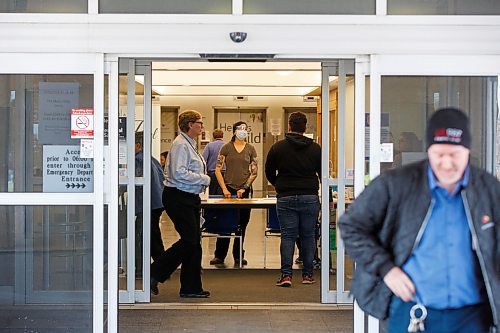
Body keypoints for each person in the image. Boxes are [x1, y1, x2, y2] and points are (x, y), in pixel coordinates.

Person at [339, 108, 499, 333]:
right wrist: (386, 269)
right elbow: (352, 225)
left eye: (455, 155)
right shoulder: (396, 184)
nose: (446, 163)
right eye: (439, 154)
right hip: (411, 311)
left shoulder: (490, 190)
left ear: (468, 151)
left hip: (472, 317)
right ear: (428, 150)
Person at [150, 110, 211, 298]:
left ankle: (191, 287)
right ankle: (155, 271)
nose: (202, 126)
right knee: (190, 240)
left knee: (194, 243)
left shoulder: (190, 144)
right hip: (178, 197)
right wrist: (204, 178)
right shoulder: (180, 145)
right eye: (199, 122)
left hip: (190, 197)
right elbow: (178, 173)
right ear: (190, 124)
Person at [265, 112, 321, 287]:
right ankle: (308, 275)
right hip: (309, 196)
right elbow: (322, 173)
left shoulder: (278, 147)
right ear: (305, 127)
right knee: (308, 236)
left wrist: (280, 184)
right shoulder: (315, 148)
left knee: (288, 236)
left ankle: (286, 275)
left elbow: (269, 171)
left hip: (286, 196)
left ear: (289, 126)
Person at [209, 121, 258, 266]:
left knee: (242, 223)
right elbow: (218, 169)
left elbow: (254, 171)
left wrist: (245, 187)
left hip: (244, 189)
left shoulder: (250, 149)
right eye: (240, 129)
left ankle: (238, 254)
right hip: (227, 188)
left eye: (245, 128)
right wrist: (224, 188)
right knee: (225, 221)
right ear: (234, 131)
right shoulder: (226, 148)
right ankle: (220, 255)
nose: (243, 131)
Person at [134, 132, 165, 272]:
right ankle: (162, 264)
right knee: (153, 234)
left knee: (144, 234)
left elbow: (137, 181)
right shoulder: (151, 159)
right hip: (157, 202)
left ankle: (144, 267)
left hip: (148, 203)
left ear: (138, 145)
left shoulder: (138, 160)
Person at [202, 129, 225, 195]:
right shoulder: (226, 146)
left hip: (212, 174)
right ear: (222, 136)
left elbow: (203, 159)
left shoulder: (209, 146)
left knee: (212, 194)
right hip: (224, 174)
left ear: (213, 136)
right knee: (222, 194)